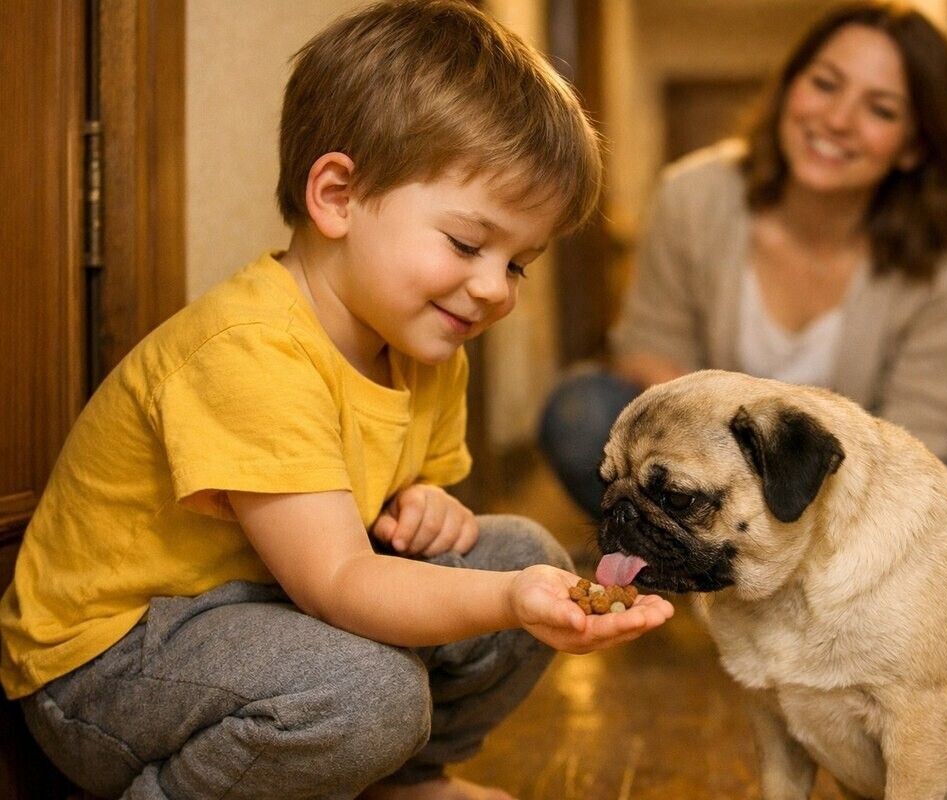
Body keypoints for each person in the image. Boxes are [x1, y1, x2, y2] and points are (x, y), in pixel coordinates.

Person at [0, 3, 674, 799]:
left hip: (255, 608)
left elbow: (381, 501)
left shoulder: (427, 346)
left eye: (518, 265)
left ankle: (396, 779)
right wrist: (505, 598)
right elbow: (338, 580)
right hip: (115, 662)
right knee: (374, 687)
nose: (494, 289)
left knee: (519, 551)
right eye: (466, 244)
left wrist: (422, 502)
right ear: (338, 194)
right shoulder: (251, 350)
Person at [539, 1, 947, 541]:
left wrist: (789, 482)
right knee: (580, 413)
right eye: (825, 84)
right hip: (710, 471)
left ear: (913, 146)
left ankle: (753, 566)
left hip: (872, 482)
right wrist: (729, 472)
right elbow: (649, 352)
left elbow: (916, 439)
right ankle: (717, 554)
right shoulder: (693, 195)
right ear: (789, 87)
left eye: (881, 110)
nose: (837, 120)